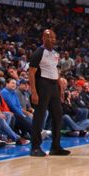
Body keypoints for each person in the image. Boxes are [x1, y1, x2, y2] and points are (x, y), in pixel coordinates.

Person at [29, 29, 70, 157]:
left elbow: (55, 71)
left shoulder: (56, 54)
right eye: (48, 37)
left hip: (54, 87)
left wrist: (60, 88)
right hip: (43, 85)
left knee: (58, 115)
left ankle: (56, 146)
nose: (51, 39)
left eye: (53, 37)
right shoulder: (38, 52)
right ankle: (35, 147)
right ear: (43, 38)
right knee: (39, 116)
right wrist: (34, 92)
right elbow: (31, 73)